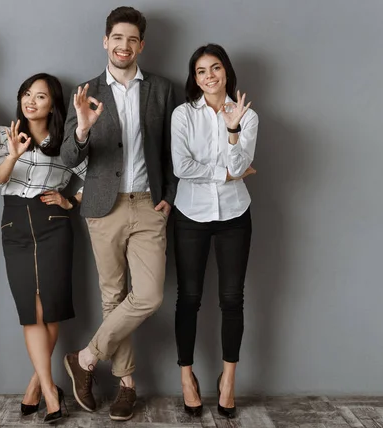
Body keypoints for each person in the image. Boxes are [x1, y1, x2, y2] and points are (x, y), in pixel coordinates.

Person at [60, 6, 177, 422]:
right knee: (112, 296)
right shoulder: (86, 90)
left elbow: (171, 149)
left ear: (141, 45)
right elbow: (69, 156)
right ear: (105, 41)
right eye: (117, 38)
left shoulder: (162, 90)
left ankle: (86, 358)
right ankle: (127, 386)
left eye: (132, 39)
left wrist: (170, 194)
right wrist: (82, 128)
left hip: (149, 204)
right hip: (101, 206)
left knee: (148, 295)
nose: (124, 46)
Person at [0, 73, 85, 424]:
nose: (31, 101)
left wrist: (71, 200)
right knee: (30, 309)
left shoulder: (66, 141)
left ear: (52, 104)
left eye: (41, 96)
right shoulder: (5, 133)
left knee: (51, 308)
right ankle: (49, 391)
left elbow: (95, 173)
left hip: (53, 222)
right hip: (14, 220)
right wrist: (13, 155)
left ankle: (38, 388)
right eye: (27, 94)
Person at [170, 43, 258, 419]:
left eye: (216, 68)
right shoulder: (182, 115)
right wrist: (225, 172)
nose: (209, 76)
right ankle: (186, 377)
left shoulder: (247, 116)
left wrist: (233, 129)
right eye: (201, 70)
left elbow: (243, 162)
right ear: (195, 78)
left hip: (235, 214)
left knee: (232, 298)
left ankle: (228, 380)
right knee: (188, 297)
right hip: (190, 213)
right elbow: (181, 167)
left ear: (226, 72)